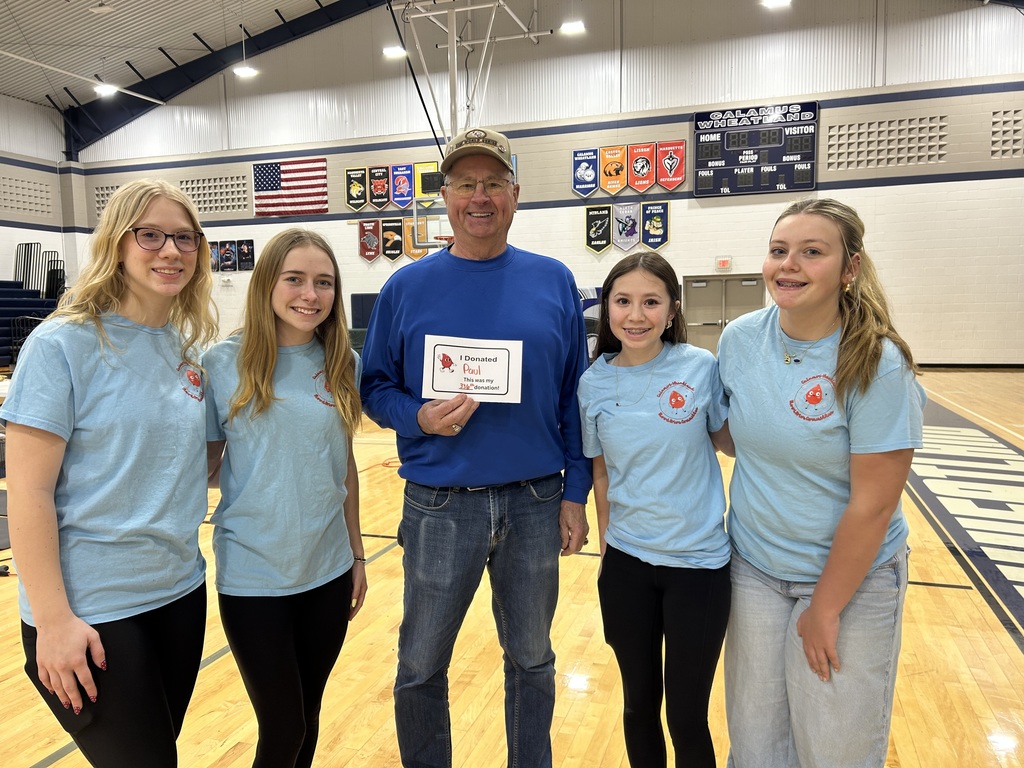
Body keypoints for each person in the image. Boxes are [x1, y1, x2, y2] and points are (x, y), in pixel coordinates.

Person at [360, 126, 592, 768]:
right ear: (445, 196)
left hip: (535, 503)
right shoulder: (405, 287)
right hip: (439, 507)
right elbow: (374, 388)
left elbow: (575, 397)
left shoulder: (553, 281)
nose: (480, 196)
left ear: (515, 195)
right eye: (466, 184)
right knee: (420, 664)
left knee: (533, 661)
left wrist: (575, 493)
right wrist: (421, 418)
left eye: (493, 183)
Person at [0, 179, 217, 767]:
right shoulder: (60, 344)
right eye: (150, 235)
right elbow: (28, 491)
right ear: (117, 245)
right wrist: (52, 621)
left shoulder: (187, 347)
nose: (170, 251)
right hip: (91, 611)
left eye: (184, 239)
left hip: (178, 592)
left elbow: (193, 464)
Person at [716, 198, 925, 767]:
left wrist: (826, 609)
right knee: (756, 748)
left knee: (834, 750)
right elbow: (734, 435)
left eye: (812, 252)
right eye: (779, 251)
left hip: (849, 584)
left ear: (849, 268)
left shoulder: (877, 362)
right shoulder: (738, 339)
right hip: (755, 570)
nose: (789, 265)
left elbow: (874, 507)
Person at [204, 229, 366, 768]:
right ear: (266, 282)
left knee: (309, 715)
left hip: (328, 570)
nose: (310, 294)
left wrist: (358, 555)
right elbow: (198, 469)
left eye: (324, 282)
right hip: (254, 575)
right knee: (284, 722)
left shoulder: (343, 361)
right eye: (294, 279)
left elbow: (344, 467)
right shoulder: (221, 364)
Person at [577, 252, 732, 767]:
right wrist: (607, 550)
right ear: (607, 308)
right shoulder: (593, 382)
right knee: (638, 707)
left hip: (699, 566)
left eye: (650, 301)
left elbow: (729, 440)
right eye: (623, 301)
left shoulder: (700, 368)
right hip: (626, 567)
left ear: (672, 311)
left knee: (686, 716)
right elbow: (601, 473)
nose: (635, 315)